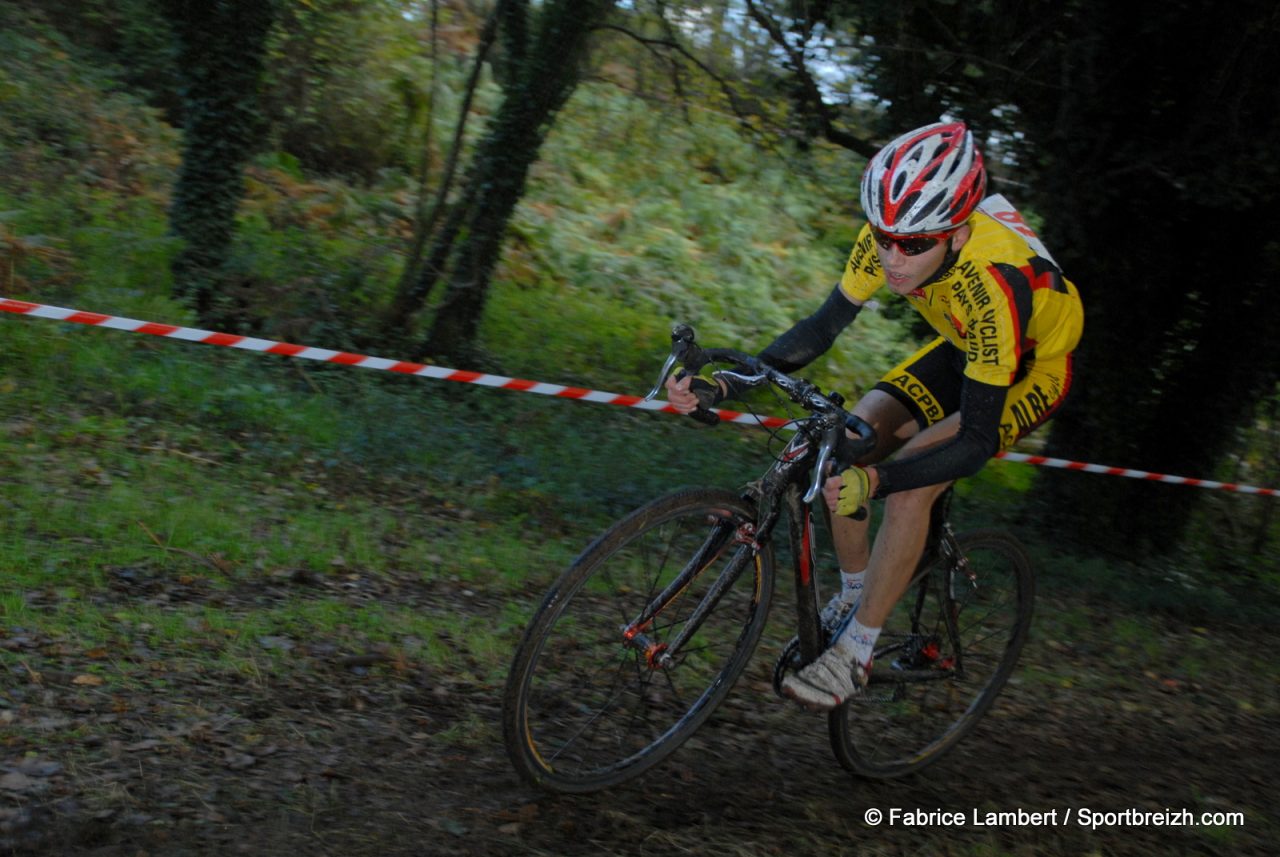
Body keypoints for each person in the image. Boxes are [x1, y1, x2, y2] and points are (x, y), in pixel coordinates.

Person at [665, 120, 1083, 711]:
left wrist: (880, 481)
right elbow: (822, 326)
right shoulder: (893, 233)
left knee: (914, 480)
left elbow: (974, 441)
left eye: (913, 246)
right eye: (883, 238)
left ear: (958, 234)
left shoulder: (994, 282)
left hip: (1033, 364)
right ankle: (858, 592)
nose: (893, 257)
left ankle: (857, 651)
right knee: (848, 442)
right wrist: (728, 382)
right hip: (965, 345)